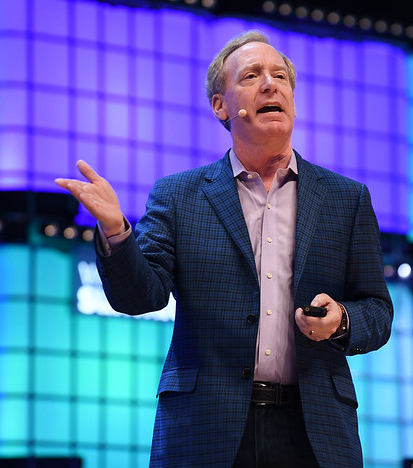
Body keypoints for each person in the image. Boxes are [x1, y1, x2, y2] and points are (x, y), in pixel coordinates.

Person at [55, 30, 393, 468]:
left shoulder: (347, 199)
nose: (271, 85)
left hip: (315, 432)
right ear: (221, 105)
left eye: (280, 77)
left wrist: (342, 320)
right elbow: (142, 297)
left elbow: (378, 313)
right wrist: (117, 230)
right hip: (206, 427)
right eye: (252, 76)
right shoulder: (178, 195)